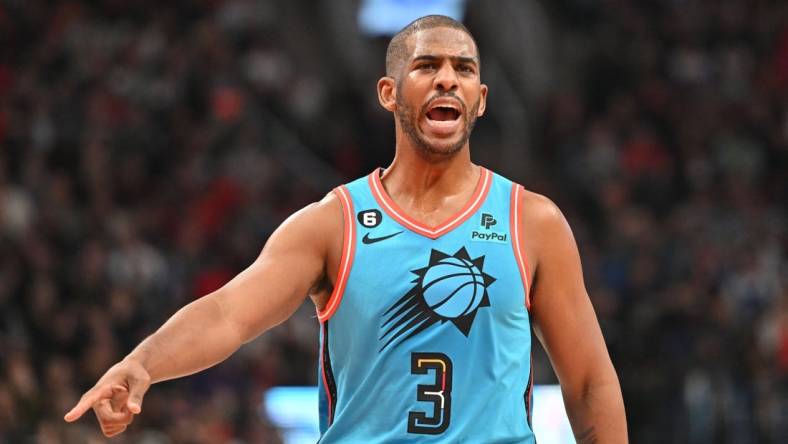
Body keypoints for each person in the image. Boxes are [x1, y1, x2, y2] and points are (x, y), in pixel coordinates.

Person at [65, 15, 627, 442]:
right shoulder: (333, 224)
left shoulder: (532, 221)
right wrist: (141, 363)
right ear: (389, 93)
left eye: (464, 69)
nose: (447, 80)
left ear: (480, 101)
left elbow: (587, 383)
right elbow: (228, 313)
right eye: (427, 66)